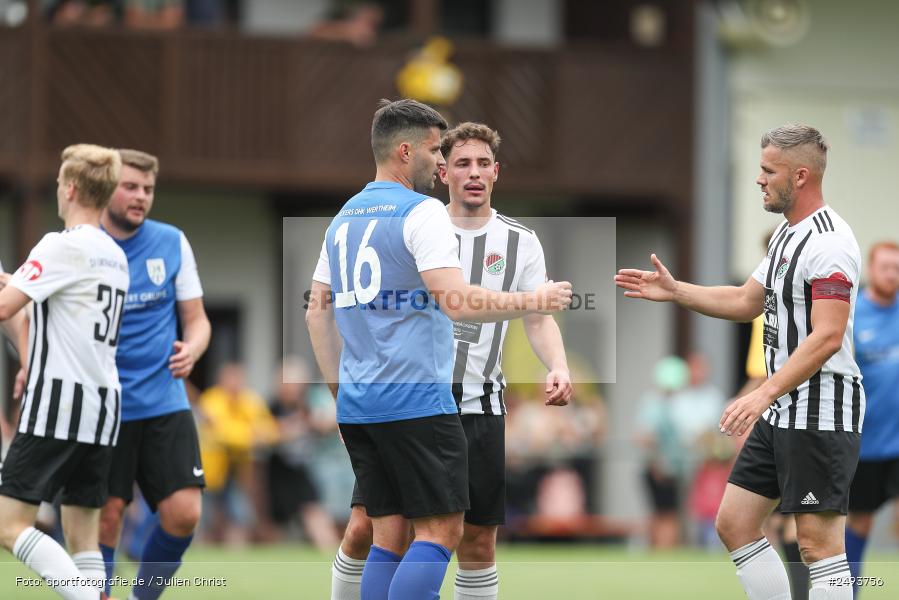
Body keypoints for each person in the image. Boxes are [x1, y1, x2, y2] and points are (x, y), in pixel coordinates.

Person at [307, 99, 572, 600]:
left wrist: (341, 393)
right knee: (429, 532)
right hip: (421, 400)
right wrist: (534, 297)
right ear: (430, 161)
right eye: (443, 154)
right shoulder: (422, 215)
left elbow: (316, 311)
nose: (459, 168)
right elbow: (458, 302)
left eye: (481, 162)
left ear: (497, 171)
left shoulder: (345, 215)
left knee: (435, 537)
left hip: (418, 402)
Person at [616, 124, 863, 599]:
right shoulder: (785, 237)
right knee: (734, 523)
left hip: (821, 409)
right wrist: (675, 291)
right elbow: (747, 299)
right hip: (782, 408)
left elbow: (829, 335)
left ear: (802, 175)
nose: (760, 179)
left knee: (817, 546)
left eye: (769, 171)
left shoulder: (830, 242)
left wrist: (763, 392)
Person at [0, 144, 129, 600]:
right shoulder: (115, 256)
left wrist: (13, 287)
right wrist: (18, 282)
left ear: (71, 188)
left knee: (8, 524)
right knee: (82, 534)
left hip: (58, 404)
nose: (57, 189)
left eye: (59, 182)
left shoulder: (60, 245)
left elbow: (5, 308)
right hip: (103, 407)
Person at [97, 149, 211, 600]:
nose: (140, 196)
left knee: (184, 514)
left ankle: (140, 597)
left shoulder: (171, 241)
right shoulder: (81, 245)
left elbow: (198, 319)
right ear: (106, 187)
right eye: (130, 186)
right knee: (106, 517)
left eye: (147, 189)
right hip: (105, 407)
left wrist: (194, 348)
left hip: (165, 401)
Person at [845, 241, 899, 595]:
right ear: (871, 269)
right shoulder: (853, 314)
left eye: (897, 268)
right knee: (859, 521)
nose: (892, 274)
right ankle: (849, 590)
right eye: (885, 267)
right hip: (864, 444)